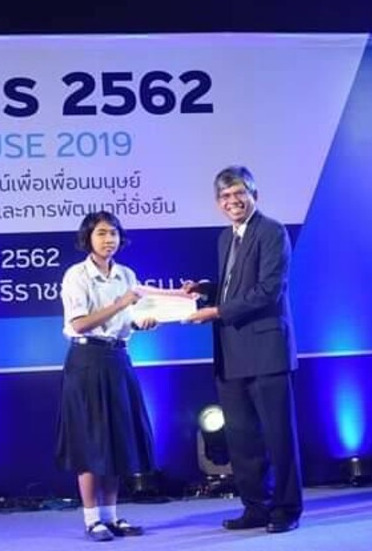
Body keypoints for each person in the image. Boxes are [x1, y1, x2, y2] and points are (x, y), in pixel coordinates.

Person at [184, 165, 303, 534]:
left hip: (267, 350)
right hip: (232, 352)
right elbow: (234, 287)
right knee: (242, 438)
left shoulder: (271, 231)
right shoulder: (226, 237)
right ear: (218, 203)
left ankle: (286, 510)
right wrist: (206, 290)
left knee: (278, 436)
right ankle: (255, 506)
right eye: (225, 196)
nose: (232, 201)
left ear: (254, 195)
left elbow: (268, 290)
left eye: (239, 193)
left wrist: (217, 311)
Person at [55, 211, 158, 542]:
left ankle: (110, 517)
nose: (108, 239)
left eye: (113, 233)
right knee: (90, 442)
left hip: (118, 358)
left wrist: (144, 321)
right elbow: (79, 323)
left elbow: (131, 318)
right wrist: (121, 303)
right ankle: (91, 519)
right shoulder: (77, 275)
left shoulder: (126, 274)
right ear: (88, 238)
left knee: (116, 440)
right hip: (87, 360)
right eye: (101, 233)